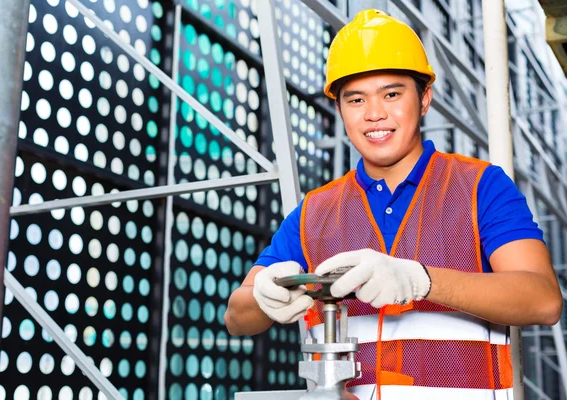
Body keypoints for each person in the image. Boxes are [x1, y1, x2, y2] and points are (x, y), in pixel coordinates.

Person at [224, 9, 562, 399]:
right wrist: (266, 295)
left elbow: (543, 300)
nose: (374, 114)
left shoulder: (479, 187)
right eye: (356, 99)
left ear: (425, 99)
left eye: (392, 94)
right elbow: (237, 317)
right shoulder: (313, 213)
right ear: (339, 110)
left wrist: (421, 280)